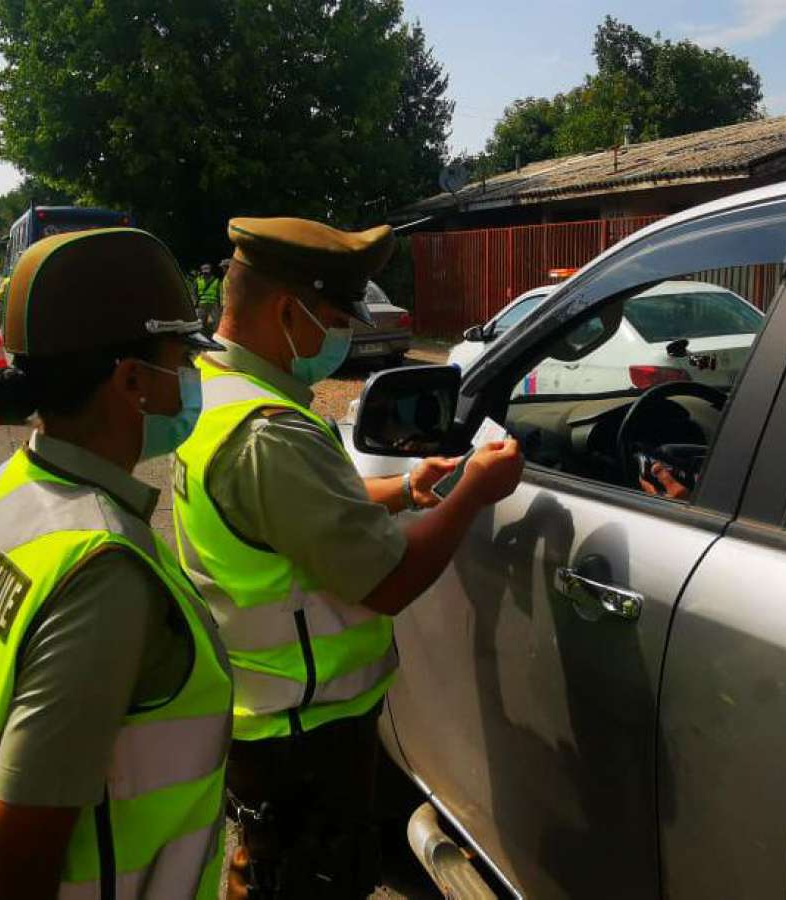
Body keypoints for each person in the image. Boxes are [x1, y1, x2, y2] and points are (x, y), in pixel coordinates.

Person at [173, 216, 524, 898]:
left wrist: (404, 489)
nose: (345, 335)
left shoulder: (216, 395)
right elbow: (389, 579)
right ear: (285, 311)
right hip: (304, 733)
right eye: (335, 317)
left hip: (267, 719)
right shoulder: (270, 434)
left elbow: (289, 513)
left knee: (270, 873)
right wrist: (473, 493)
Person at [0, 228, 237, 900]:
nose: (192, 378)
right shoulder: (101, 570)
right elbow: (11, 870)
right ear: (131, 380)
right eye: (181, 357)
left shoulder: (4, 491)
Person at [195, 262, 222, 334]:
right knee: (201, 322)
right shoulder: (198, 280)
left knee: (215, 322)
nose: (205, 274)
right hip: (202, 304)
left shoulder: (216, 280)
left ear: (210, 271)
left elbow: (219, 293)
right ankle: (202, 335)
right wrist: (196, 302)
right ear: (201, 271)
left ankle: (214, 336)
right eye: (204, 272)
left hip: (213, 303)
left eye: (207, 272)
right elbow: (195, 292)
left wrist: (219, 304)